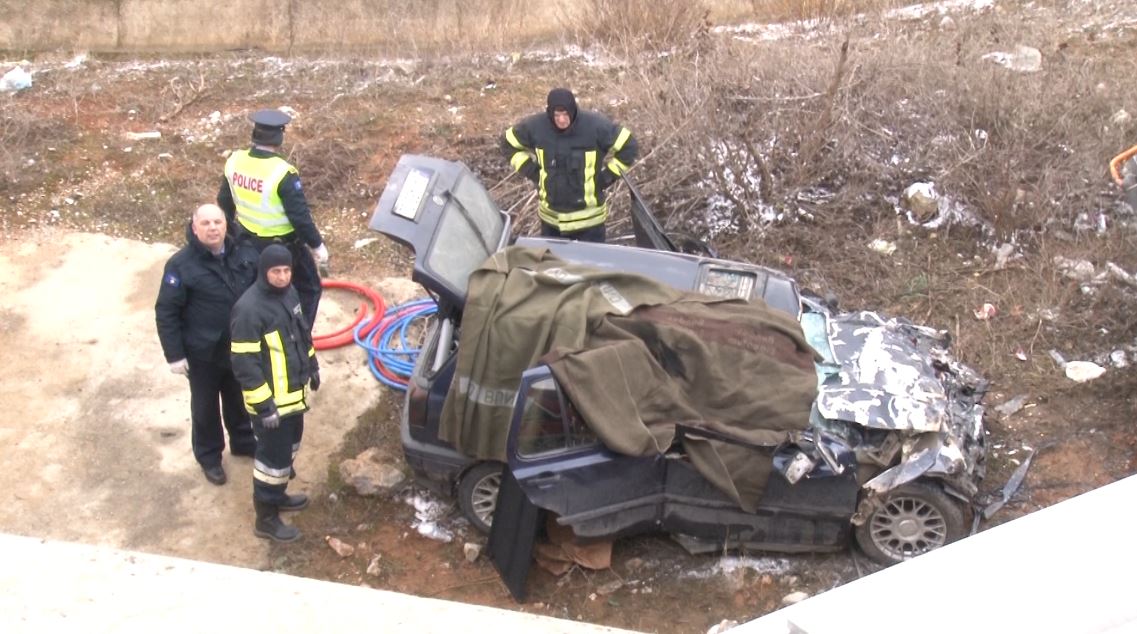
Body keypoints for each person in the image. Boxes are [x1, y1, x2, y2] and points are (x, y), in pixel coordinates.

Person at [155, 203, 259, 486]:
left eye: (217, 222)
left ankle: (243, 440)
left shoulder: (244, 252)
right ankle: (209, 456)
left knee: (239, 397)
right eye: (206, 223)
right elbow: (166, 311)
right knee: (205, 408)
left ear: (226, 225)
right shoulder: (180, 265)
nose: (213, 228)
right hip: (202, 353)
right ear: (194, 227)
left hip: (239, 346)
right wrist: (174, 355)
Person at [230, 244, 320, 543]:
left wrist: (313, 365)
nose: (282, 277)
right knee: (272, 461)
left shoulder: (290, 294)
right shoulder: (249, 309)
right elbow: (245, 364)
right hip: (272, 406)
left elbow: (301, 333)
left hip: (294, 398)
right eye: (275, 272)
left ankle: (278, 496)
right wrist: (263, 406)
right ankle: (265, 518)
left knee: (287, 452)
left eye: (286, 271)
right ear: (263, 272)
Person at [218, 108, 328, 332]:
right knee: (309, 287)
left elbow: (224, 201)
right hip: (283, 246)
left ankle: (257, 332)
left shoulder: (235, 161)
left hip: (247, 241)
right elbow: (299, 217)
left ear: (254, 135)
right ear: (279, 137)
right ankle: (298, 336)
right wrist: (317, 246)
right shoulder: (282, 172)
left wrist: (231, 233)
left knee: (257, 290)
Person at [501, 87, 638, 243]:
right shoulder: (536, 127)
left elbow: (629, 146)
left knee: (590, 267)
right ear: (549, 113)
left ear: (573, 111)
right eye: (556, 115)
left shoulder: (596, 127)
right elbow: (507, 143)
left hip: (589, 226)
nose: (561, 120)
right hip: (551, 224)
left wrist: (606, 177)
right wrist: (532, 172)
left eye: (565, 114)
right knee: (554, 267)